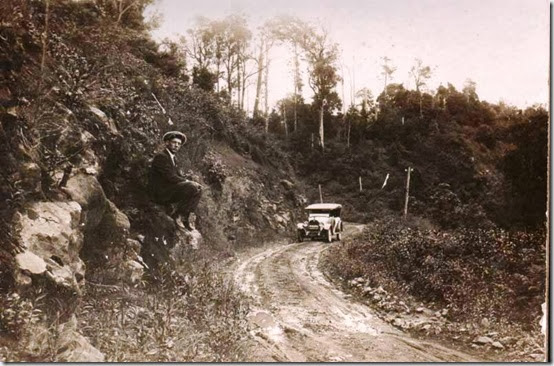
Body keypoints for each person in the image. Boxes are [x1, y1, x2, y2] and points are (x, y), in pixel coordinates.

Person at [148, 131, 202, 230]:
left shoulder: (174, 159)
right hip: (160, 193)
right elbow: (170, 177)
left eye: (179, 144)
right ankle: (178, 215)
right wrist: (188, 182)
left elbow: (177, 175)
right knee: (191, 186)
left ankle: (186, 216)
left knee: (199, 188)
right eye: (174, 142)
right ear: (167, 143)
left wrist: (189, 180)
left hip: (169, 190)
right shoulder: (161, 156)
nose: (176, 145)